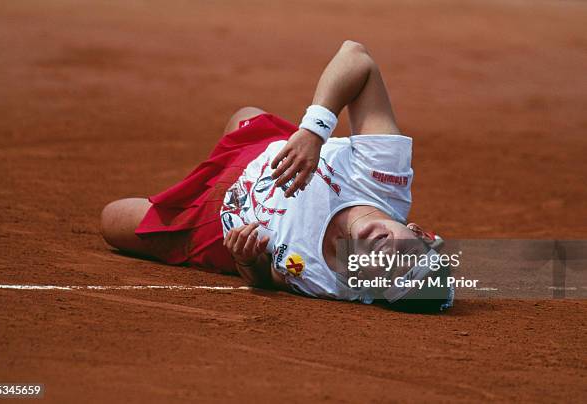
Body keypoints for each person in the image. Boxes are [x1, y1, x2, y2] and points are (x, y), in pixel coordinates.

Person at [101, 40, 453, 309]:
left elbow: (269, 277)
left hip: (214, 221)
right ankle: (210, 169)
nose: (383, 255)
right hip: (267, 151)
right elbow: (356, 56)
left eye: (387, 271)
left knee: (113, 222)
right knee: (247, 113)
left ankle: (195, 193)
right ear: (417, 232)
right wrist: (314, 132)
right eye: (405, 255)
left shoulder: (329, 282)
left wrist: (247, 261)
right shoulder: (384, 179)